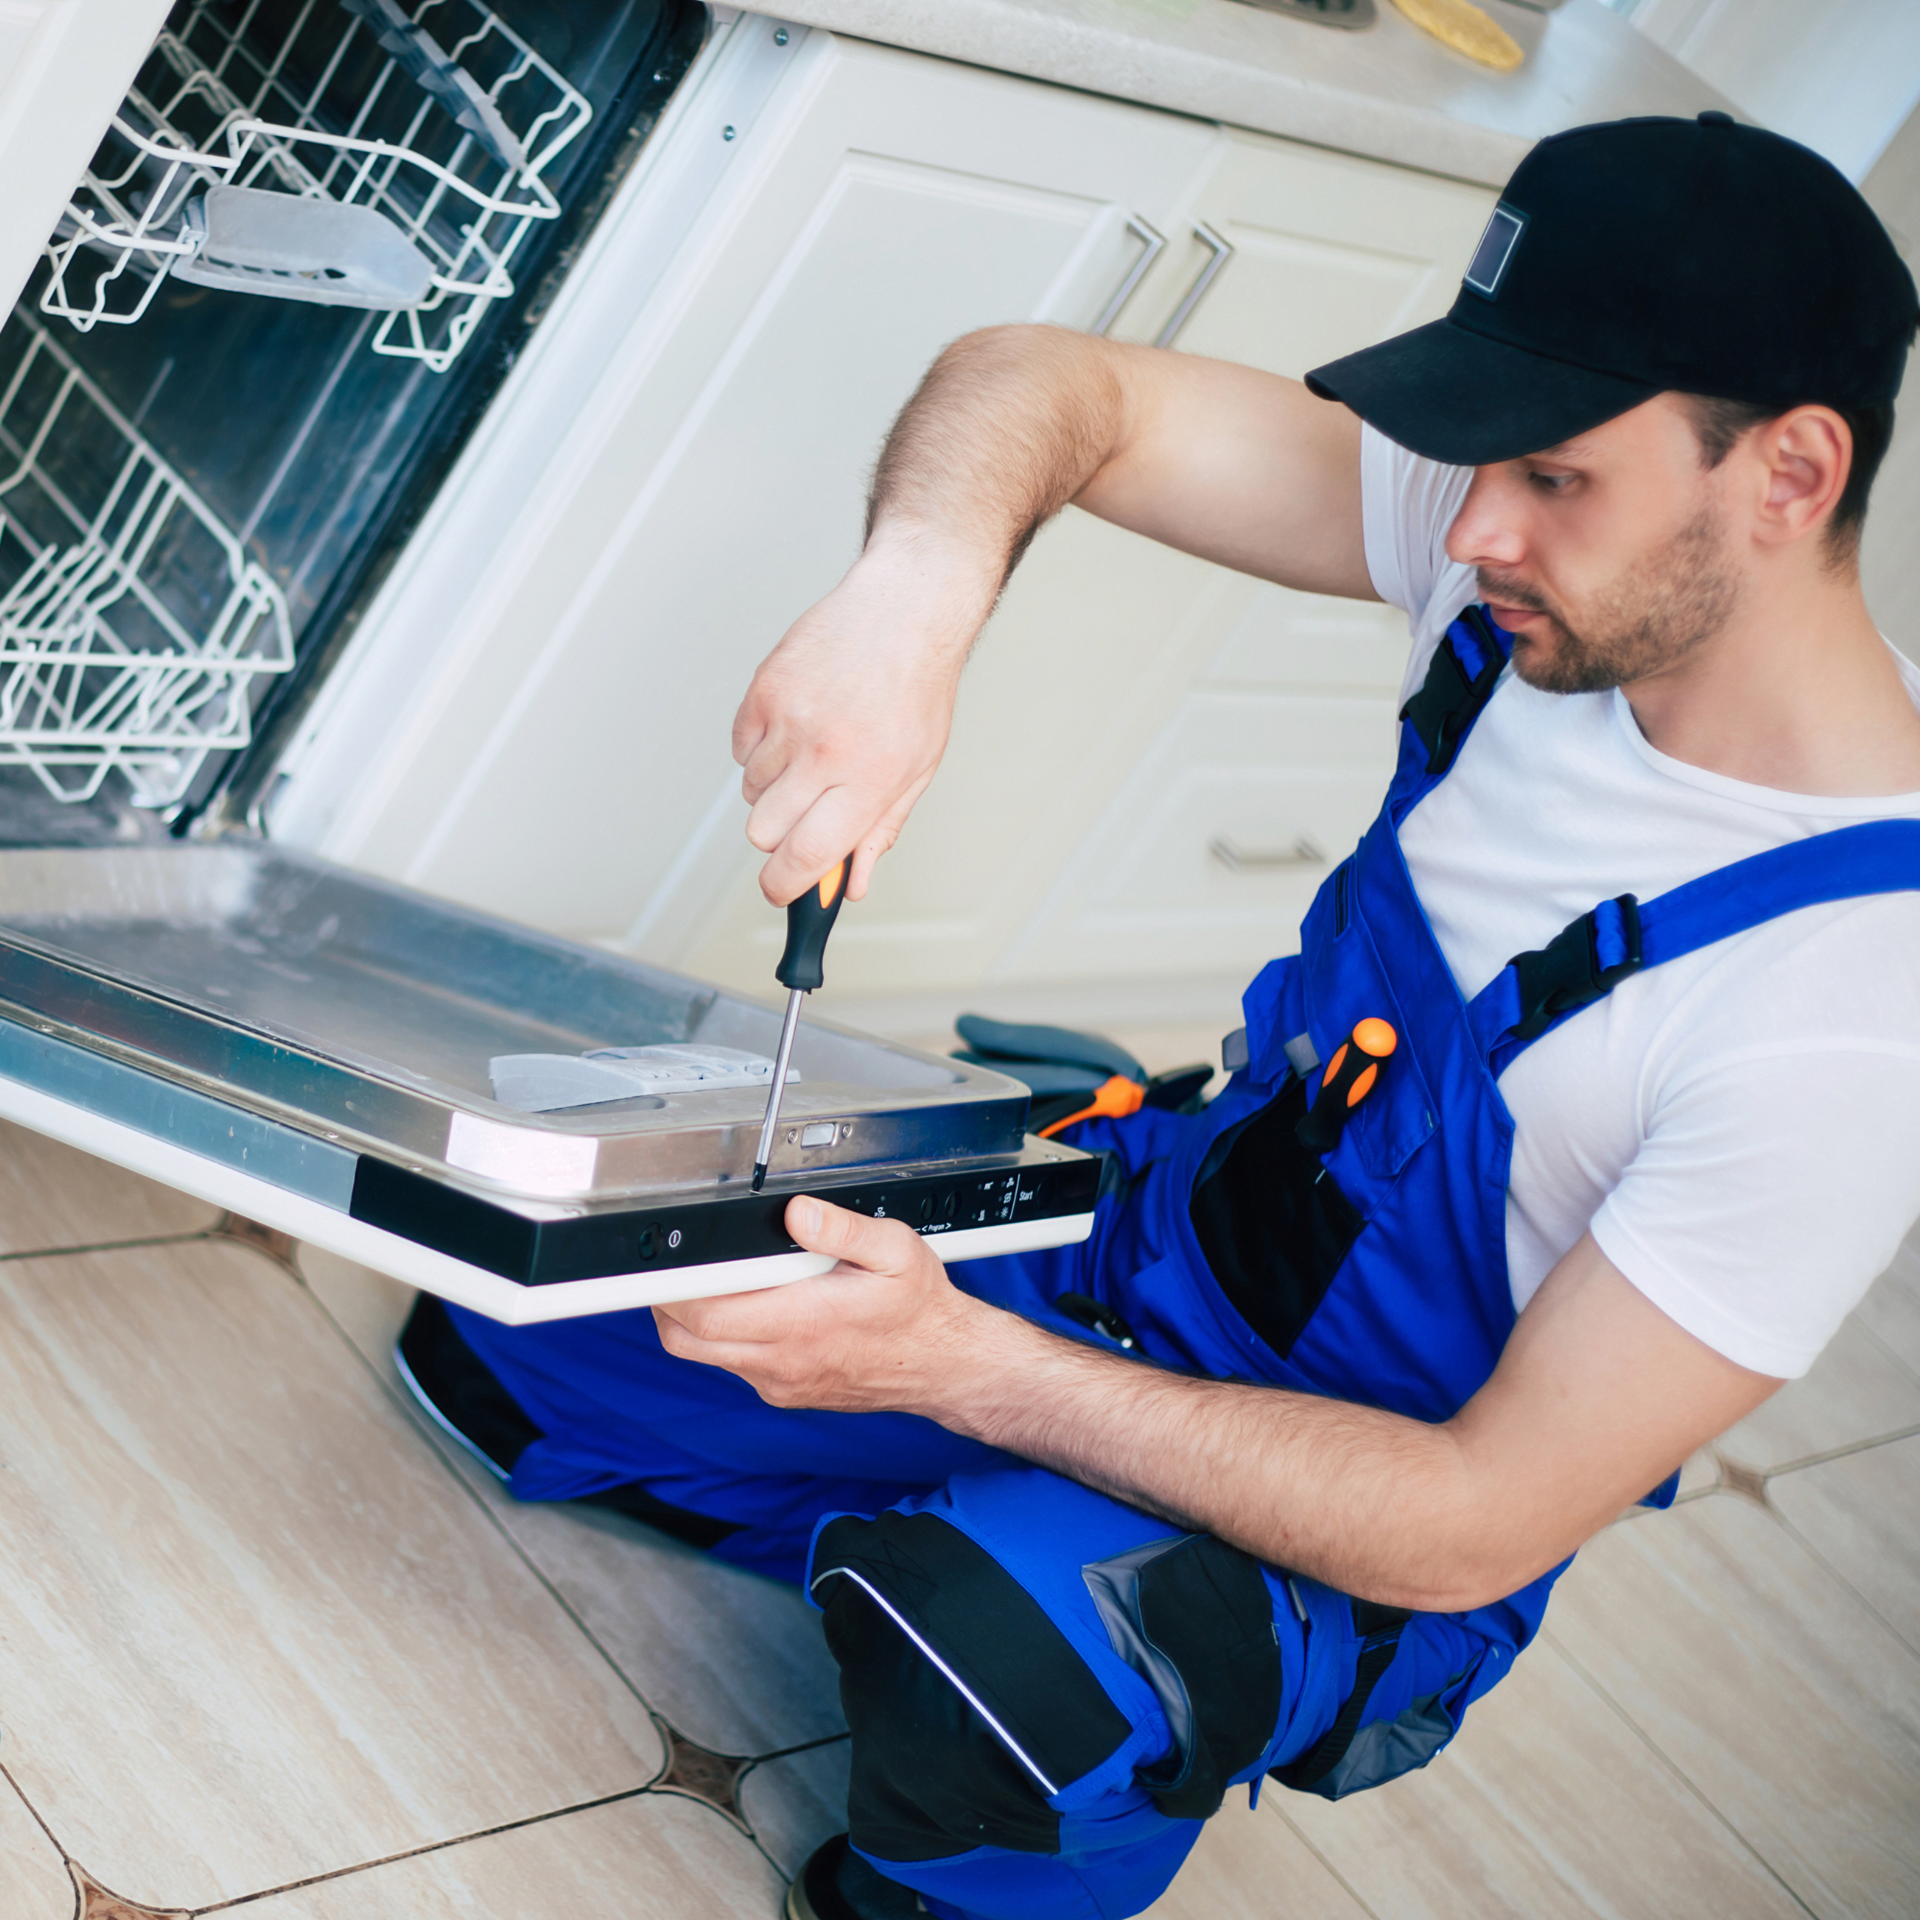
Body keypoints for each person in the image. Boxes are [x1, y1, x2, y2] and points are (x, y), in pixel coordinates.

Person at [396, 113, 1920, 1920]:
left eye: (1557, 475)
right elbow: (1046, 381)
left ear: (1792, 472)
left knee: (997, 1662)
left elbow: (1477, 1521)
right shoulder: (1533, 568)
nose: (1476, 519)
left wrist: (958, 1371)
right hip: (1157, 1248)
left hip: (1352, 1496)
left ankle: (1045, 1640)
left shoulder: (1846, 1018)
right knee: (507, 1331)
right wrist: (917, 600)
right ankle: (918, 1508)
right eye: (1476, 451)